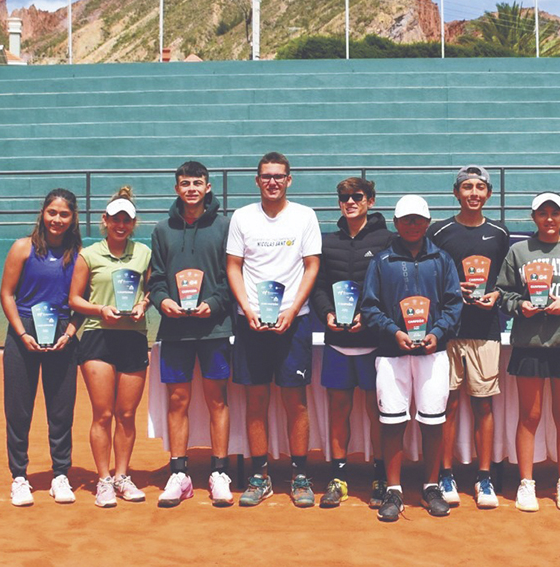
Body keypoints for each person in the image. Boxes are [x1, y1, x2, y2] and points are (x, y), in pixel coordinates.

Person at [226, 152, 322, 507]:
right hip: (250, 322)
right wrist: (247, 309)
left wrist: (293, 309)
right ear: (257, 180)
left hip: (293, 322)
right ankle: (260, 475)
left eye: (279, 176)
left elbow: (311, 266)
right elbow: (234, 266)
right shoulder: (242, 217)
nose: (272, 182)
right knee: (256, 400)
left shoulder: (304, 216)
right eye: (266, 176)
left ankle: (299, 475)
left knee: (295, 400)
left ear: (289, 180)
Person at [360, 194, 463, 522]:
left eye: (418, 219)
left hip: (433, 353)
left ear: (428, 222)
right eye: (407, 220)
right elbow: (369, 306)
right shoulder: (381, 261)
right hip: (392, 354)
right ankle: (394, 489)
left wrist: (437, 333)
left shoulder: (443, 260)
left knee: (433, 421)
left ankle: (431, 486)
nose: (413, 225)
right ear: (396, 223)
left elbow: (453, 303)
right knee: (392, 421)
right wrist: (394, 332)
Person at [496, 193, 560, 512]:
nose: (549, 219)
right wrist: (519, 305)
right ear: (534, 217)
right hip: (530, 343)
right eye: (543, 213)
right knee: (530, 415)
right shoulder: (519, 251)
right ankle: (527, 483)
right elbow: (504, 293)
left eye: (555, 213)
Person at [147, 161, 235, 507]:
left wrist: (214, 303)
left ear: (208, 187)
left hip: (215, 327)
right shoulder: (162, 229)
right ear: (176, 189)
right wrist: (162, 300)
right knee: (178, 400)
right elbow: (155, 279)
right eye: (185, 183)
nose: (192, 189)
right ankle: (179, 473)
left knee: (217, 399)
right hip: (175, 330)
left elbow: (233, 277)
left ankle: (219, 472)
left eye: (198, 182)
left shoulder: (226, 226)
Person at [426, 165, 511, 509]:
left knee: (483, 403)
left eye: (480, 187)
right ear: (456, 192)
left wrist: (498, 295)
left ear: (488, 193)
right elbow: (427, 273)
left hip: (485, 330)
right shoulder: (439, 231)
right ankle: (445, 473)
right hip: (448, 329)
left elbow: (508, 279)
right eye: (467, 187)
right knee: (448, 403)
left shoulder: (500, 233)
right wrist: (449, 291)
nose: (474, 193)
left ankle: (484, 477)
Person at [308, 177, 392, 508]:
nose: (350, 202)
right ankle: (339, 477)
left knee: (377, 412)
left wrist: (369, 319)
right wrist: (327, 313)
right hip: (337, 342)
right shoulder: (327, 242)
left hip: (374, 343)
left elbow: (389, 289)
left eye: (357, 196)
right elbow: (318, 287)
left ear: (371, 200)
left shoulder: (388, 241)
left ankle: (381, 477)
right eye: (344, 197)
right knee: (338, 410)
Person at [0, 189, 84, 507]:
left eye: (64, 214)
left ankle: (60, 474)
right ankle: (19, 477)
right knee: (18, 410)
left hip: (62, 335)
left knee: (61, 410)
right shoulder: (22, 248)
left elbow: (79, 303)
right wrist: (22, 334)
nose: (57, 220)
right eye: (52, 212)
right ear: (42, 213)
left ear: (73, 217)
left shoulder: (78, 253)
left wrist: (71, 332)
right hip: (23, 335)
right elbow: (7, 294)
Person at [68, 187, 152, 508]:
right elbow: (74, 299)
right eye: (115, 219)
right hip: (97, 336)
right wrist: (100, 309)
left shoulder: (144, 253)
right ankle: (103, 480)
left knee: (127, 414)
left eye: (126, 220)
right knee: (102, 414)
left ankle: (122, 476)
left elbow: (151, 290)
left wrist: (144, 304)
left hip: (133, 336)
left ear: (133, 223)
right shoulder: (89, 255)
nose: (120, 224)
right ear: (105, 221)